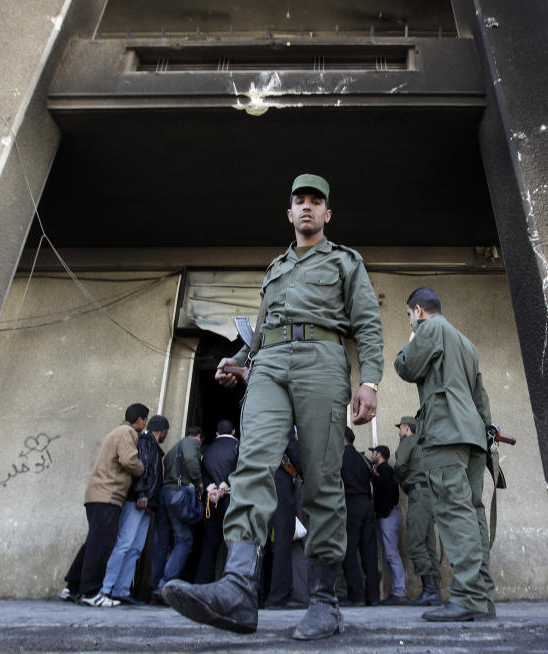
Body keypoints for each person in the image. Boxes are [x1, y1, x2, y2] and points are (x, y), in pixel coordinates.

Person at [163, 173, 383, 640]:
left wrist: (371, 382)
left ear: (327, 213)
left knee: (322, 478)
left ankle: (324, 602)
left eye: (315, 201)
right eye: (299, 201)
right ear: (289, 212)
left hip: (322, 361)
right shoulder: (275, 267)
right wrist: (238, 359)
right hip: (268, 366)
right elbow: (261, 331)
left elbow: (367, 323)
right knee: (252, 463)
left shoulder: (346, 261)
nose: (307, 207)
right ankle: (239, 589)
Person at [393, 287, 495, 622]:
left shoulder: (431, 328)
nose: (411, 321)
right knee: (473, 512)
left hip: (445, 432)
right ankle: (481, 598)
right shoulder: (466, 343)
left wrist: (411, 336)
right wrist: (485, 430)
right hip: (473, 436)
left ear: (418, 310)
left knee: (453, 511)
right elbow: (481, 396)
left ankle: (466, 597)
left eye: (410, 316)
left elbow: (406, 367)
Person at [60, 403, 148, 607]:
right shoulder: (127, 432)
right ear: (140, 420)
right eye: (145, 420)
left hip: (96, 495)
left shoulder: (115, 432)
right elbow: (128, 460)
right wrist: (142, 468)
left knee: (93, 541)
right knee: (102, 544)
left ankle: (72, 587)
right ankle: (91, 592)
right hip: (109, 495)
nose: (145, 424)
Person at [100, 414, 169, 604]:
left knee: (135, 548)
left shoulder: (151, 446)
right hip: (139, 501)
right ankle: (107, 588)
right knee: (125, 544)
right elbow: (143, 469)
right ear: (162, 430)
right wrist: (141, 494)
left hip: (147, 505)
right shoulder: (146, 443)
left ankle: (121, 590)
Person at [393, 416, 442, 606]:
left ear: (406, 429)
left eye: (400, 428)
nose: (399, 432)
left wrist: (399, 480)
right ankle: (435, 591)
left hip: (418, 495)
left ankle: (430, 590)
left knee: (414, 541)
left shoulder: (408, 441)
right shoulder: (425, 444)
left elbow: (400, 465)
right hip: (430, 494)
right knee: (428, 543)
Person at [151, 427, 204, 599]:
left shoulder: (174, 449)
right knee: (184, 540)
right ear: (198, 437)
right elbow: (190, 461)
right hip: (178, 495)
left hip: (165, 493)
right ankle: (165, 584)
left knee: (162, 542)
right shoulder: (191, 443)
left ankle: (153, 584)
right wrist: (199, 481)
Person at [266, 429, 308, 610]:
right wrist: (307, 473)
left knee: (262, 541)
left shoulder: (258, 421)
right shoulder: (284, 422)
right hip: (279, 483)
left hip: (259, 483)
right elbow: (293, 451)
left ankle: (259, 593)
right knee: (283, 540)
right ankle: (278, 596)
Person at [195, 419, 239, 584]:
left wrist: (212, 490)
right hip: (232, 500)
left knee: (209, 543)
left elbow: (202, 474)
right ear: (234, 432)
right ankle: (231, 582)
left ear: (217, 434)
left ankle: (203, 581)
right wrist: (225, 489)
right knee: (233, 543)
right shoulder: (238, 447)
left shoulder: (207, 450)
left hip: (211, 501)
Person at [340, 428, 380, 607]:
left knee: (348, 551)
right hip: (367, 504)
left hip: (351, 505)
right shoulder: (363, 458)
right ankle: (373, 596)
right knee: (369, 552)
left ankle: (356, 595)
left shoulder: (339, 457)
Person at [369, 444, 407, 605]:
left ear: (379, 454)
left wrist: (382, 513)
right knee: (389, 553)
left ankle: (399, 592)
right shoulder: (381, 470)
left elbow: (390, 495)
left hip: (388, 516)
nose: (372, 455)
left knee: (391, 554)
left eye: (373, 452)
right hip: (386, 515)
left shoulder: (385, 471)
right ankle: (397, 591)